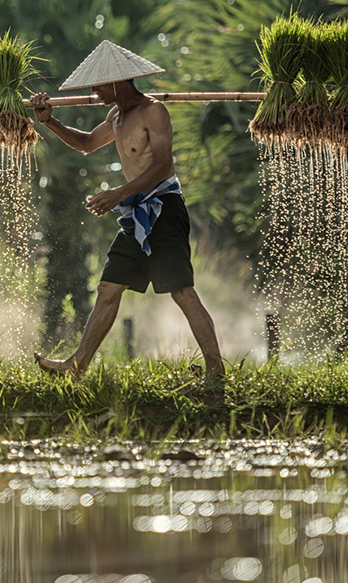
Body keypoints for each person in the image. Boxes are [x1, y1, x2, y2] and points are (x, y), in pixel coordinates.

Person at [29, 40, 225, 381]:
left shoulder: (153, 112)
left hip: (163, 208)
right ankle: (75, 367)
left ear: (118, 81)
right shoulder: (116, 116)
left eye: (99, 84)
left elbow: (163, 166)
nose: (94, 90)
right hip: (136, 213)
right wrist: (50, 122)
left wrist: (118, 193)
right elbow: (88, 144)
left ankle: (215, 369)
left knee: (181, 291)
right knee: (108, 289)